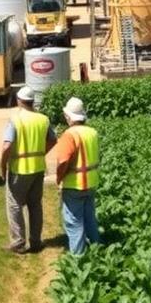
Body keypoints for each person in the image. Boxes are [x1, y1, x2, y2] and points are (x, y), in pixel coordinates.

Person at [1, 86, 56, 255]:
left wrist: (3, 166)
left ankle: (18, 243)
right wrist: (40, 153)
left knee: (15, 205)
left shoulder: (15, 119)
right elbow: (53, 140)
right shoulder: (43, 119)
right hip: (38, 169)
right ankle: (36, 241)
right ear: (32, 101)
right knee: (35, 205)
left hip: (19, 170)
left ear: (19, 100)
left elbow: (7, 145)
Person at [55, 96, 101, 256]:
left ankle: (78, 259)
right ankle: (97, 250)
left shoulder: (69, 135)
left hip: (74, 185)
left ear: (69, 117)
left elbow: (63, 161)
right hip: (91, 182)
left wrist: (59, 178)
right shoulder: (92, 132)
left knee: (74, 223)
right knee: (90, 219)